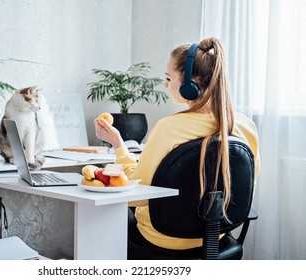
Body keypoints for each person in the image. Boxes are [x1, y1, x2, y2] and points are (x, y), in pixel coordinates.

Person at [94, 37, 260, 250]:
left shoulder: (169, 127)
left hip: (162, 237)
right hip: (215, 236)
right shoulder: (246, 125)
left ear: (191, 86)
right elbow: (247, 186)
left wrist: (118, 144)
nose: (165, 84)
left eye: (168, 78)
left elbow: (137, 194)